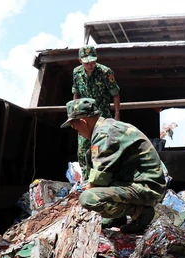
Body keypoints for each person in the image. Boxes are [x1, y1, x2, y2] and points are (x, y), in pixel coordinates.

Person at [61, 98, 166, 234]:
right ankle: (117, 218)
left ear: (83, 122)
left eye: (77, 129)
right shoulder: (107, 127)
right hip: (138, 182)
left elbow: (101, 175)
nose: (79, 133)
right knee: (90, 175)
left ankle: (141, 212)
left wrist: (90, 188)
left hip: (147, 187)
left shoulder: (104, 133)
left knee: (88, 198)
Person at [72, 45, 121, 180]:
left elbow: (115, 94)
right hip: (84, 117)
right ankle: (85, 180)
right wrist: (75, 115)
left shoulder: (106, 72)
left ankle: (101, 180)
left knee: (100, 148)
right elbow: (76, 93)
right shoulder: (76, 73)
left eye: (93, 61)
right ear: (80, 61)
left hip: (102, 117)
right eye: (87, 62)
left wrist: (117, 115)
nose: (90, 65)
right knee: (82, 150)